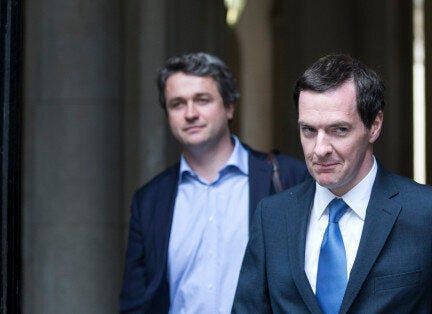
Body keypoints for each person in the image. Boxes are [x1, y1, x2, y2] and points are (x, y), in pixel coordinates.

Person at [232, 53, 432, 313]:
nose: (319, 148)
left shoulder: (430, 216)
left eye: (339, 130)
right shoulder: (272, 216)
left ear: (374, 125)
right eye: (309, 130)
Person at [119, 52, 310, 313]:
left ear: (229, 107)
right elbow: (136, 302)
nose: (190, 113)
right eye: (177, 104)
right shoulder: (149, 200)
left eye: (202, 100)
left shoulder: (289, 177)